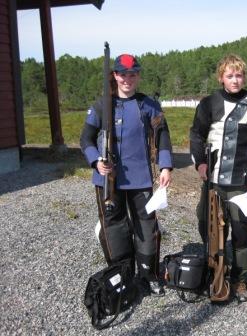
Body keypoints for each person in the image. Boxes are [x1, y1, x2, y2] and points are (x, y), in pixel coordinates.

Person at [80, 54, 173, 296]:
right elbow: (86, 139)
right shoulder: (102, 105)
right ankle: (121, 275)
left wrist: (165, 166)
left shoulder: (149, 105)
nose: (127, 79)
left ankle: (148, 274)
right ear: (115, 75)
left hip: (141, 179)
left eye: (132, 74)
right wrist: (95, 160)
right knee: (114, 228)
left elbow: (162, 135)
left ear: (138, 76)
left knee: (147, 228)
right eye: (122, 74)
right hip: (107, 180)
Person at [189, 54, 247, 302]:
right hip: (213, 180)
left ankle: (240, 279)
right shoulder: (209, 103)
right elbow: (196, 135)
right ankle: (217, 273)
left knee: (240, 232)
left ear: (244, 77)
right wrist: (201, 163)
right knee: (208, 225)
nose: (234, 80)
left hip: (242, 182)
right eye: (229, 75)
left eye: (239, 75)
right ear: (221, 77)